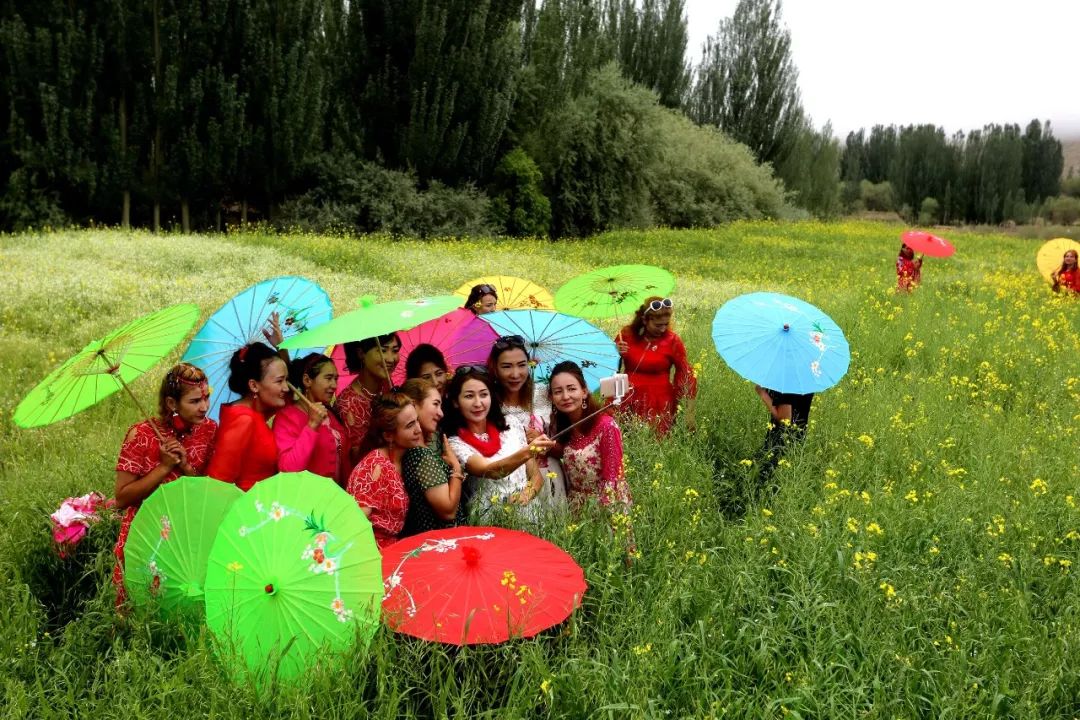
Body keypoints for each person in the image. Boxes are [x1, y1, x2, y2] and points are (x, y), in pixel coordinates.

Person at [112, 363, 217, 603]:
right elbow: (121, 498)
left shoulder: (209, 430)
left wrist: (186, 467)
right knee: (137, 606)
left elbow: (207, 490)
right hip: (146, 533)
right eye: (194, 401)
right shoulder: (141, 435)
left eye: (206, 398)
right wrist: (165, 467)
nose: (204, 407)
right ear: (171, 404)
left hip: (188, 535)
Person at [443, 366, 554, 522]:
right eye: (469, 396)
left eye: (483, 394)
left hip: (528, 515)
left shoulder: (512, 424)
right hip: (489, 520)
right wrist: (529, 450)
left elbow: (536, 477)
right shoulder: (455, 443)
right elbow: (491, 471)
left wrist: (527, 494)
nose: (478, 403)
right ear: (455, 402)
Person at [488, 334, 566, 506]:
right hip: (509, 480)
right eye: (506, 367)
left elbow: (566, 447)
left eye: (522, 365)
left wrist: (546, 443)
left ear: (530, 364)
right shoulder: (487, 402)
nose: (515, 374)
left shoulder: (543, 394)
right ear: (495, 368)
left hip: (549, 475)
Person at [548, 361, 630, 510]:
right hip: (576, 505)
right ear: (551, 397)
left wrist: (605, 510)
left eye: (572, 389)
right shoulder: (560, 427)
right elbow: (568, 454)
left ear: (584, 391)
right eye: (558, 391)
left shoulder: (606, 426)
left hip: (606, 504)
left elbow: (612, 477)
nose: (565, 396)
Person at [347, 392, 424, 549]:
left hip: (395, 547)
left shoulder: (406, 456)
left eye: (417, 421)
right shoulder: (374, 467)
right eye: (410, 425)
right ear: (389, 436)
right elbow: (354, 525)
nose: (418, 429)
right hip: (373, 552)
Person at [206, 342, 285, 490]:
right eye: (280, 381)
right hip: (248, 506)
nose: (286, 387)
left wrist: (282, 347)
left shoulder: (257, 413)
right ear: (254, 385)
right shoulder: (243, 419)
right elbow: (218, 482)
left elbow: (288, 399)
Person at [615, 296, 697, 435]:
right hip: (627, 398)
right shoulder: (626, 335)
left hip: (659, 402)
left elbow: (684, 372)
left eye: (666, 324)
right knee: (623, 438)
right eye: (658, 325)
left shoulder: (673, 341)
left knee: (655, 442)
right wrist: (615, 353)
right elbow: (612, 370)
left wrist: (687, 409)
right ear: (644, 320)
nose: (663, 329)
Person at [399, 379, 466, 535]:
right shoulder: (421, 456)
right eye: (435, 404)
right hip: (442, 543)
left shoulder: (414, 452)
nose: (441, 413)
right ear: (414, 406)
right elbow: (448, 511)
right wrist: (456, 468)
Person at [273, 353, 349, 487]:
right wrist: (312, 425)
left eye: (336, 379)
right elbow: (288, 469)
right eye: (328, 378)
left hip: (336, 499)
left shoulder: (331, 414)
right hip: (307, 500)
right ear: (307, 380)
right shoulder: (286, 417)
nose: (334, 385)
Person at [337, 333, 401, 466]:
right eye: (382, 351)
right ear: (361, 354)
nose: (390, 359)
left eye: (395, 351)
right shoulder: (348, 403)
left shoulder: (387, 384)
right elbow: (358, 457)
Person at [755, 385, 814, 484]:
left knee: (766, 480)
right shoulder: (803, 379)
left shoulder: (785, 385)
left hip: (780, 443)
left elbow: (785, 420)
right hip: (797, 443)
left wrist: (762, 393)